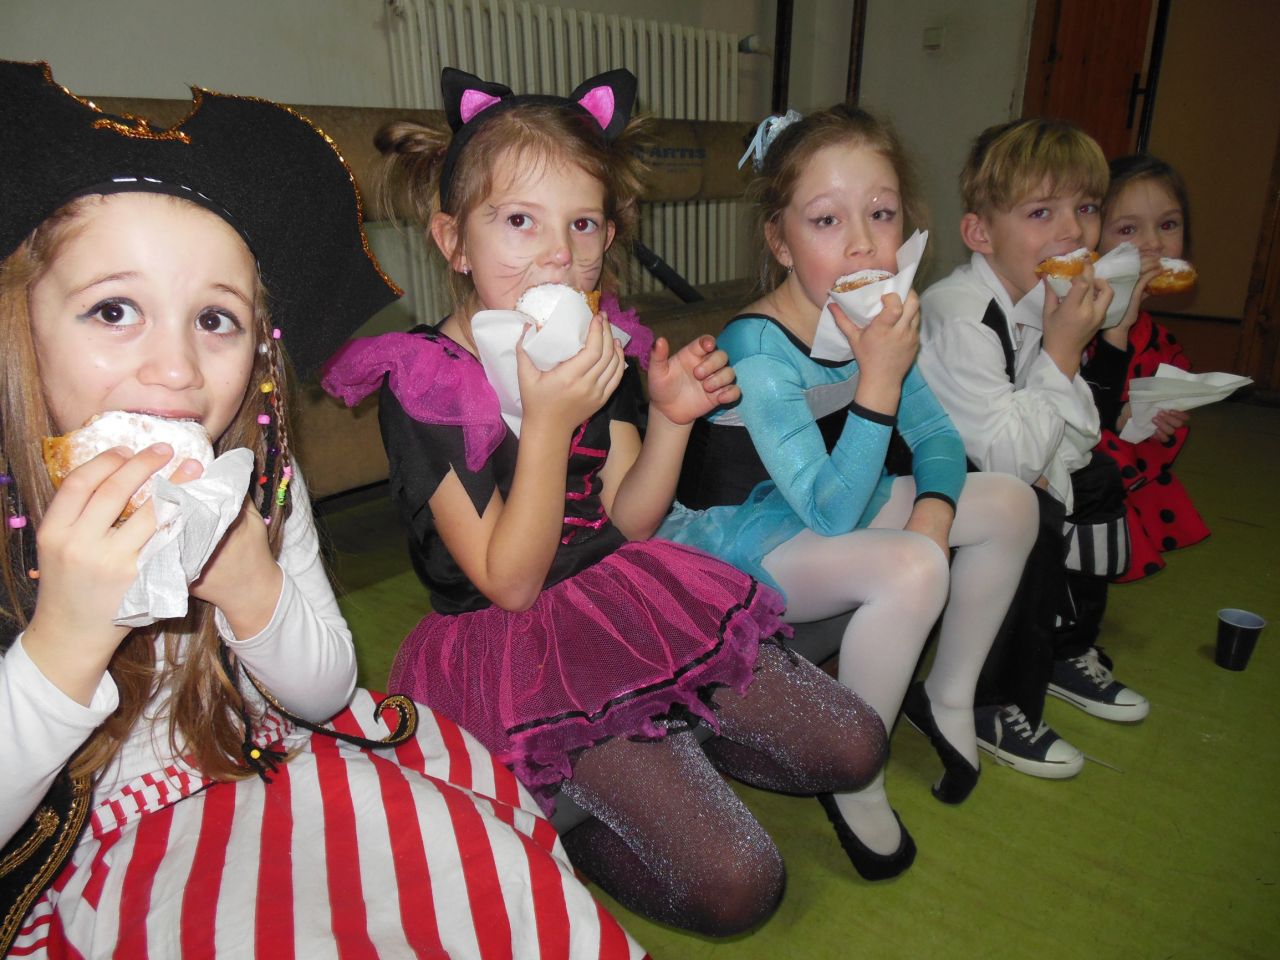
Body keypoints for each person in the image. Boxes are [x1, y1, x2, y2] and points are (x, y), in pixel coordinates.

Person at [0, 59, 647, 958]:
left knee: (475, 884)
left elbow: (326, 687)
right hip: (96, 846)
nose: (176, 369)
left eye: (215, 319)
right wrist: (64, 642)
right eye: (114, 310)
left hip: (271, 758)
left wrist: (253, 587)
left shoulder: (255, 477)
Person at [320, 68, 886, 936]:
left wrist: (670, 421)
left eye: (581, 224)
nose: (557, 253)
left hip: (623, 595)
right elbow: (509, 581)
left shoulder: (600, 341)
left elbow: (629, 519)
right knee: (739, 887)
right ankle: (579, 823)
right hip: (512, 642)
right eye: (519, 221)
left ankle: (665, 732)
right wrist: (547, 423)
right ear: (454, 241)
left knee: (854, 746)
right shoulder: (425, 380)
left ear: (606, 236)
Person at [659, 104, 1038, 879]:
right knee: (914, 569)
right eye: (827, 220)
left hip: (826, 503)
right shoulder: (756, 345)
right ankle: (853, 768)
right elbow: (827, 513)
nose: (862, 242)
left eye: (881, 213)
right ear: (780, 241)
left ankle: (948, 694)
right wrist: (879, 381)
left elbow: (937, 440)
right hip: (731, 542)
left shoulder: (874, 313)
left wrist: (932, 511)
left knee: (1009, 504)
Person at [918, 119, 1150, 786]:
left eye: (1087, 208)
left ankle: (1064, 649)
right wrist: (1063, 350)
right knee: (1035, 511)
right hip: (927, 481)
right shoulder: (962, 313)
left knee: (1097, 479)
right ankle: (989, 697)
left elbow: (1081, 433)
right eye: (1041, 213)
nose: (1074, 232)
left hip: (1001, 456)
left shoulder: (1042, 298)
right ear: (980, 234)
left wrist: (1104, 339)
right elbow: (1007, 463)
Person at [1082, 154, 1209, 581]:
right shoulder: (1078, 316)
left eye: (1168, 225)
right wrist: (1115, 415)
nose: (1153, 243)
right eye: (1128, 229)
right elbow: (1078, 401)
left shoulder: (1155, 336)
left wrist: (1151, 417)